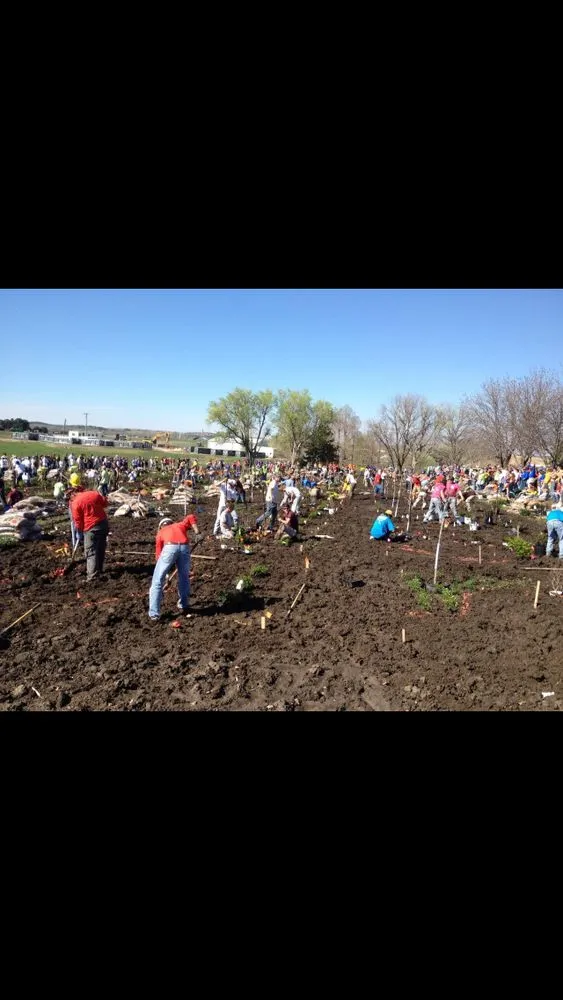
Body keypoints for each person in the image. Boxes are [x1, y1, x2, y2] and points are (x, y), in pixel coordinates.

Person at [148, 512, 200, 621]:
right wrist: (197, 532)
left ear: (161, 526)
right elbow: (191, 517)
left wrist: (165, 575)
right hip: (185, 547)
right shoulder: (179, 525)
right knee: (184, 577)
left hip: (169, 547)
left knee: (157, 580)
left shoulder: (161, 532)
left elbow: (158, 556)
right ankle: (184, 604)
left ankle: (154, 613)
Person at [71, 488, 109, 583]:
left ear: (73, 495)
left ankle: (92, 576)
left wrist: (79, 532)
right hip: (103, 524)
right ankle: (99, 569)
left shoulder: (75, 503)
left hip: (91, 528)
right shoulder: (94, 494)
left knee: (90, 551)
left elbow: (78, 521)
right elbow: (105, 503)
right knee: (100, 548)